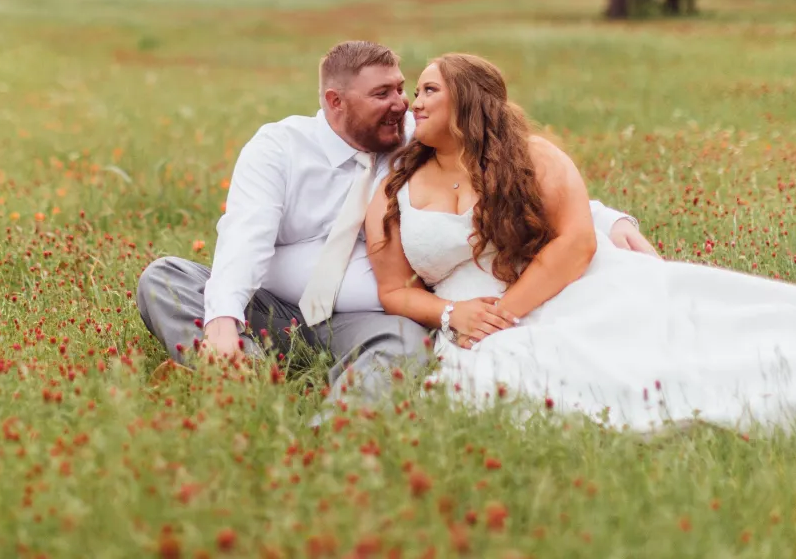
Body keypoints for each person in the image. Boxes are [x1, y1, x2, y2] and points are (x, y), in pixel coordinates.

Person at [364, 53, 796, 434]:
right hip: (472, 324)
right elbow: (394, 290)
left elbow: (576, 243)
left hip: (567, 290)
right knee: (513, 383)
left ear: (470, 103)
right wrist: (454, 315)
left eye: (427, 89)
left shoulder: (532, 157)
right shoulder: (394, 191)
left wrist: (507, 313)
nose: (414, 103)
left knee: (733, 334)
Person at [135, 41, 652, 404]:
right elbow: (243, 240)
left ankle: (333, 427)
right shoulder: (279, 148)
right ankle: (236, 375)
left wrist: (608, 219)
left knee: (404, 344)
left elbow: (506, 166)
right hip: (271, 308)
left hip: (366, 318)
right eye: (383, 93)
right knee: (165, 277)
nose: (402, 104)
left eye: (403, 89)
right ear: (335, 102)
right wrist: (224, 323)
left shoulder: (415, 133)